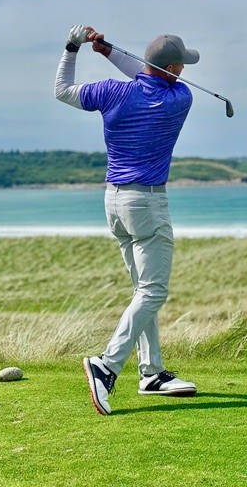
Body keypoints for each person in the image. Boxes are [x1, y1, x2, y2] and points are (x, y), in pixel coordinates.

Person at [54, 24, 199, 416]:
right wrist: (112, 52)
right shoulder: (179, 98)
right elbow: (147, 77)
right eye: (180, 65)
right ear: (172, 68)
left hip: (113, 201)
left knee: (141, 292)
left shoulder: (112, 92)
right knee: (153, 292)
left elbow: (62, 91)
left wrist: (76, 48)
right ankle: (107, 365)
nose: (184, 71)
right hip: (147, 203)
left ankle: (151, 373)